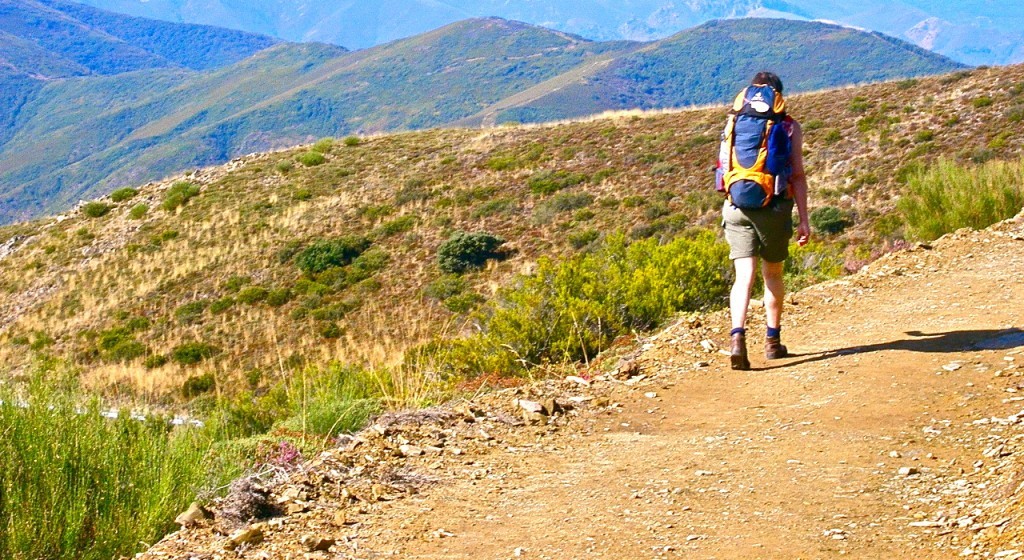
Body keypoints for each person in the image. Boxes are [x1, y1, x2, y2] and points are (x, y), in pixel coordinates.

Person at [721, 71, 810, 370]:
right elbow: (796, 175)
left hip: (736, 206)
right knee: (772, 274)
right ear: (778, 97)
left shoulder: (733, 122)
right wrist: (804, 220)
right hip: (773, 208)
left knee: (742, 276)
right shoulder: (788, 126)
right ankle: (772, 342)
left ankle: (737, 339)